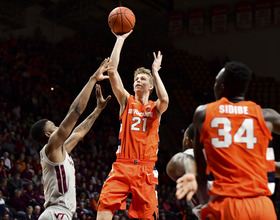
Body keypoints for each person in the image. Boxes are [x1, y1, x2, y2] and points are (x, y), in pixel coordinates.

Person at [176, 61, 280, 219]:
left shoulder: (203, 114)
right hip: (262, 206)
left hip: (227, 205)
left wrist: (204, 202)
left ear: (222, 86)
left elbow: (201, 169)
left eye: (216, 82)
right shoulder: (267, 116)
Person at [97, 31, 169, 220]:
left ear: (150, 86)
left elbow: (165, 99)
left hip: (146, 169)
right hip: (122, 165)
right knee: (103, 208)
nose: (138, 80)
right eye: (136, 79)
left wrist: (155, 72)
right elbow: (112, 70)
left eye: (142, 79)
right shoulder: (126, 101)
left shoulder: (156, 108)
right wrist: (120, 40)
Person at [30, 58, 112, 220]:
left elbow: (78, 133)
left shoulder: (60, 151)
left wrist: (97, 110)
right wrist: (92, 79)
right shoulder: (51, 148)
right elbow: (75, 111)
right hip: (57, 213)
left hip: (58, 213)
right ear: (48, 135)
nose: (57, 127)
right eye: (53, 126)